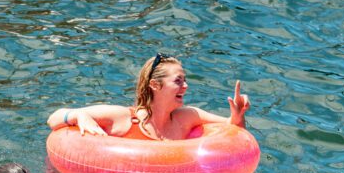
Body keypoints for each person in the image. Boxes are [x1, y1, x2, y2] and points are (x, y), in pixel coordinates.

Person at [47, 53, 249, 141]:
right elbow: (54, 118)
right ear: (155, 85)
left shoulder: (188, 117)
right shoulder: (124, 118)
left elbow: (232, 129)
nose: (185, 86)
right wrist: (79, 116)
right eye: (178, 81)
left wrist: (238, 114)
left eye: (185, 80)